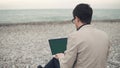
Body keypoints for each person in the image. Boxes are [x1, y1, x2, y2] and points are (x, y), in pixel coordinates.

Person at [54, 3, 110, 68]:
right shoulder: (104, 35)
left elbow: (65, 66)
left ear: (77, 18)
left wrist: (61, 57)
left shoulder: (74, 36)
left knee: (55, 60)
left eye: (73, 20)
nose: (74, 22)